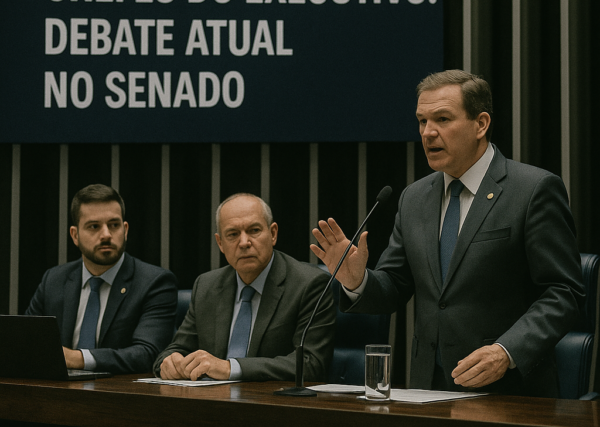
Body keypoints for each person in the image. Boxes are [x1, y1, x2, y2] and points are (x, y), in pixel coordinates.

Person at [311, 70, 585, 397]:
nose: (428, 132)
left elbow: (563, 291)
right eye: (422, 121)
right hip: (428, 388)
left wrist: (506, 351)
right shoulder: (414, 198)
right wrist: (356, 280)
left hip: (511, 391)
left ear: (480, 124)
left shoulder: (533, 190)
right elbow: (394, 286)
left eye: (442, 119)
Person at [154, 193, 335, 381]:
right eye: (233, 234)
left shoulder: (309, 284)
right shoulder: (207, 286)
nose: (244, 243)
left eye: (254, 230)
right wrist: (169, 362)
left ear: (273, 233)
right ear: (220, 243)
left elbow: (311, 363)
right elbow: (177, 349)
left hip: (269, 398)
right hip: (211, 396)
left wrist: (230, 368)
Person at [26, 184, 178, 374]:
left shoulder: (155, 282)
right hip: (57, 389)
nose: (106, 234)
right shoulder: (54, 280)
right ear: (75, 235)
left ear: (125, 230)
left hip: (119, 390)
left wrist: (77, 358)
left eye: (114, 225)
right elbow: (26, 342)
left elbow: (147, 354)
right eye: (94, 226)